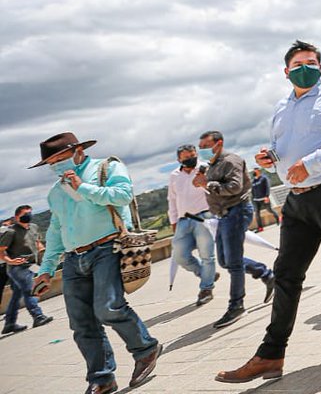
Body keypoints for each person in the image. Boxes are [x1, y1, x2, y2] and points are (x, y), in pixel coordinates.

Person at [217, 41, 321, 384]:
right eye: (298, 64)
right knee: (286, 273)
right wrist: (272, 159)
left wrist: (309, 163)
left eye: (311, 63)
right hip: (296, 201)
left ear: (320, 67)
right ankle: (271, 354)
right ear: (286, 72)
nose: (305, 68)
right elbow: (284, 152)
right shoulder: (281, 109)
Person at [32, 132, 160, 394]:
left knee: (108, 308)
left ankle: (146, 349)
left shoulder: (107, 167)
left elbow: (122, 195)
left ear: (77, 150)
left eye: (59, 157)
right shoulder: (56, 192)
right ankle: (102, 378)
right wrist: (46, 269)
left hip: (107, 248)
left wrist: (83, 187)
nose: (55, 165)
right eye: (50, 162)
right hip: (73, 258)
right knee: (81, 323)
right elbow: (56, 230)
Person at [196, 130, 275, 330]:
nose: (202, 150)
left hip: (237, 211)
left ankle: (236, 305)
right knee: (225, 260)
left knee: (233, 262)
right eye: (201, 147)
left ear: (219, 143)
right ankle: (266, 275)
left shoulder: (232, 161)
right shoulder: (211, 166)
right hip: (223, 215)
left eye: (205, 146)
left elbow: (234, 187)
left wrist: (208, 184)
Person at [167, 144, 217, 306]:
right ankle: (205, 274)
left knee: (206, 255)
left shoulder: (205, 168)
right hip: (183, 220)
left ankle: (206, 288)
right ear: (179, 159)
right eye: (186, 157)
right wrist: (173, 221)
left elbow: (215, 191)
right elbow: (172, 200)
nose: (190, 159)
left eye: (192, 155)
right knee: (180, 256)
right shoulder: (174, 175)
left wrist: (204, 181)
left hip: (203, 216)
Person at [1, 204, 53, 334]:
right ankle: (38, 316)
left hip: (31, 264)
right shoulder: (11, 231)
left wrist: (43, 251)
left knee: (17, 295)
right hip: (17, 267)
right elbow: (1, 250)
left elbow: (37, 242)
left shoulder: (34, 227)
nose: (28, 216)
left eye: (29, 213)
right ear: (17, 217)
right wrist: (10, 261)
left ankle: (9, 324)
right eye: (24, 215)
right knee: (29, 290)